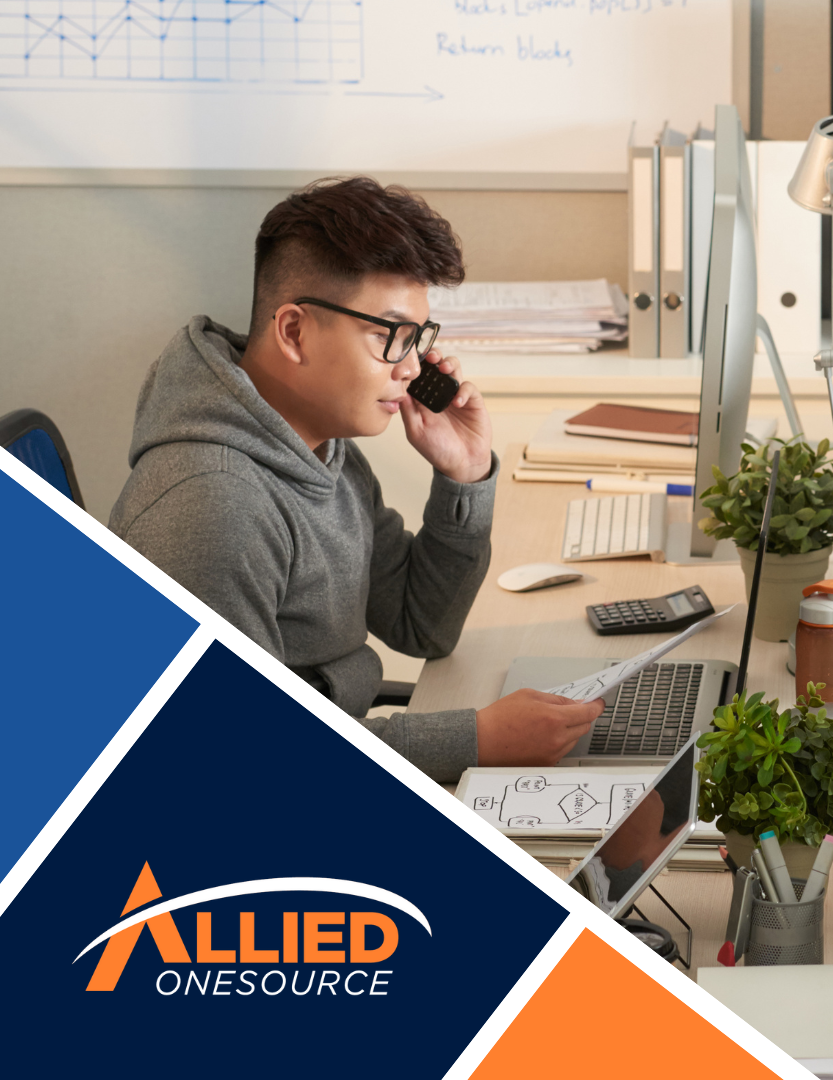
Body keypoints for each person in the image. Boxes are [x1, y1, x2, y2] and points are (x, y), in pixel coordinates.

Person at [109, 176, 603, 782]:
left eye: (417, 339)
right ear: (294, 331)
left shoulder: (324, 446)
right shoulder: (214, 506)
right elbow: (240, 760)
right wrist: (472, 740)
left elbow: (421, 625)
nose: (412, 368)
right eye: (387, 336)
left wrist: (464, 476)